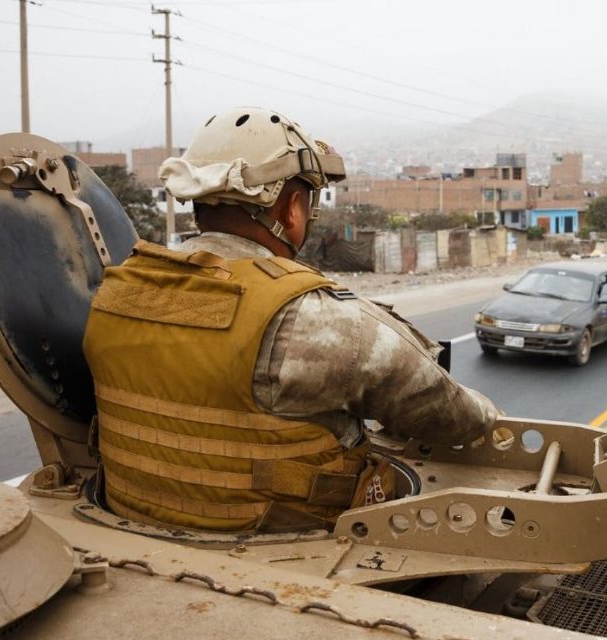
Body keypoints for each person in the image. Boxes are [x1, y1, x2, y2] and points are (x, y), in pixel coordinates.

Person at [82, 107, 498, 533]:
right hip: (280, 550)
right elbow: (452, 417)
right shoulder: (316, 318)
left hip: (133, 528)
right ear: (292, 209)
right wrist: (488, 411)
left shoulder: (117, 291)